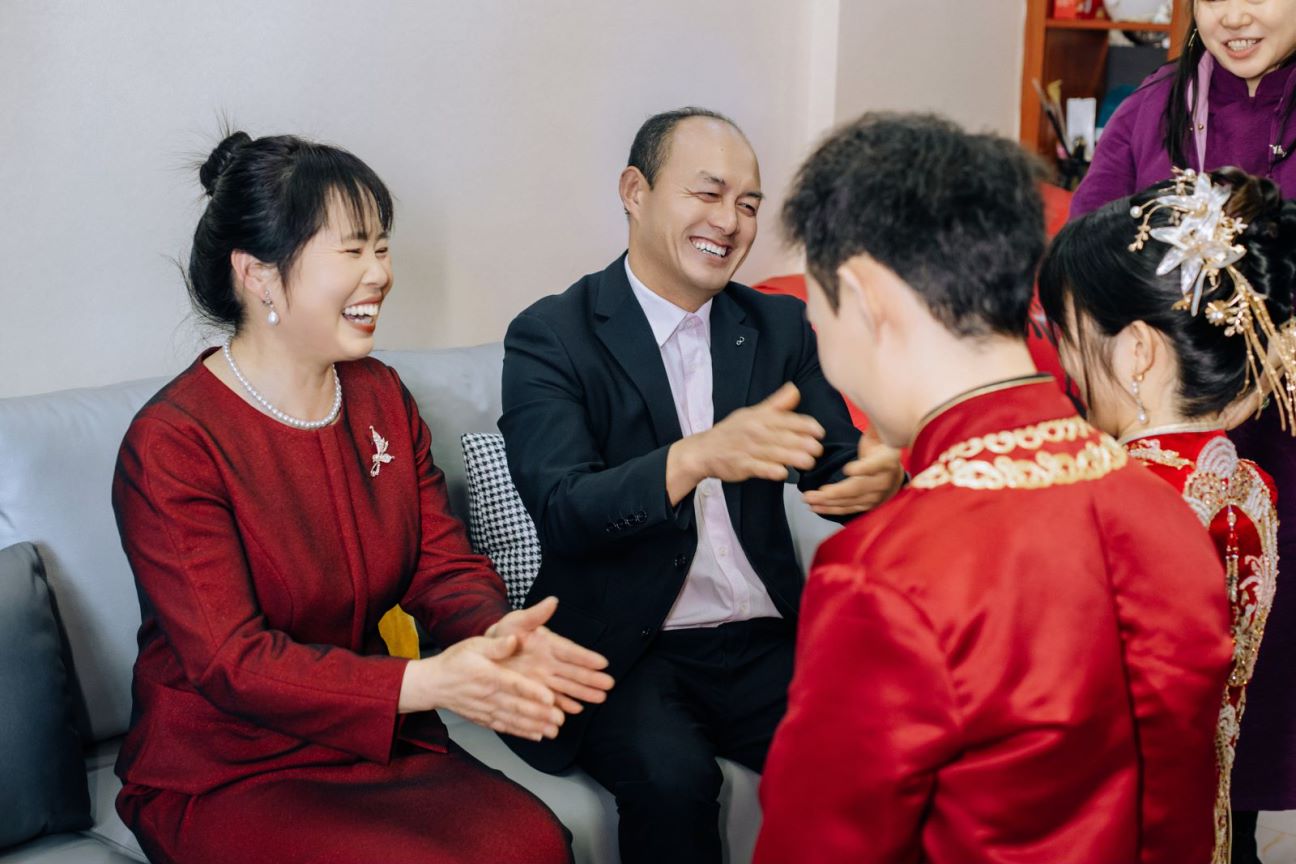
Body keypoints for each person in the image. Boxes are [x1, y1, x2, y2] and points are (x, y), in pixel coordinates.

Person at [111, 131, 614, 864]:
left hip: (369, 739)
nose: (380, 273)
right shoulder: (173, 443)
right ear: (257, 274)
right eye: (351, 251)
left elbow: (440, 564)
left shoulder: (378, 395)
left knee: (532, 843)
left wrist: (499, 636)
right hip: (225, 766)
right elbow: (230, 662)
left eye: (382, 247)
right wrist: (424, 680)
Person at [754, 112, 1233, 864]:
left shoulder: (885, 574)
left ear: (863, 294)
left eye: (816, 306)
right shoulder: (1159, 507)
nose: (818, 331)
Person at [497, 107, 904, 864]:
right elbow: (563, 511)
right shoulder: (553, 335)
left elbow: (834, 466)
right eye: (709, 194)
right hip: (625, 650)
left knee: (883, 745)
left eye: (748, 204)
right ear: (635, 191)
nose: (731, 222)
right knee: (672, 780)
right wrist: (695, 458)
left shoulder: (778, 326)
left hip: (762, 637)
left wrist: (882, 481)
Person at [1070, 5, 1296, 854]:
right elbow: (1083, 263)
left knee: (1260, 706)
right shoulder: (1153, 109)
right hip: (1161, 460)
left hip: (1283, 466)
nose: (1234, 15)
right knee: (1165, 726)